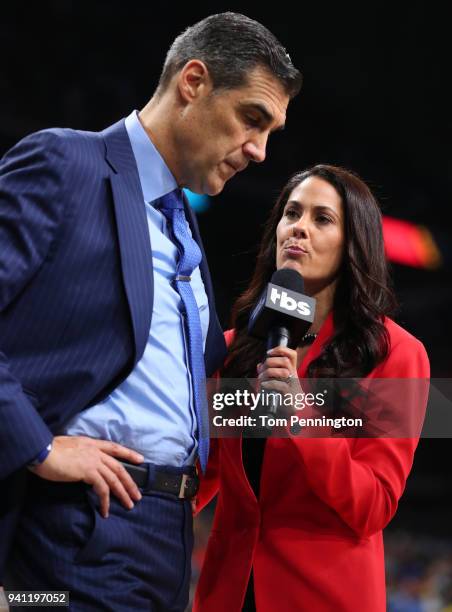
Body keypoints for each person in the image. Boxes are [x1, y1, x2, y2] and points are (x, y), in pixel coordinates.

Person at [0, 12, 302, 611]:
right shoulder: (66, 164)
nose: (261, 151)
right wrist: (37, 445)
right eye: (252, 119)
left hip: (169, 536)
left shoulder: (184, 229)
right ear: (193, 81)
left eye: (271, 132)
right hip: (76, 531)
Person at [193, 165, 430, 612]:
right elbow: (204, 474)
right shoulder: (236, 347)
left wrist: (301, 414)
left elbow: (373, 505)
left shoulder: (398, 355)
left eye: (322, 218)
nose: (298, 227)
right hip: (227, 593)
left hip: (325, 598)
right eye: (292, 213)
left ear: (353, 242)